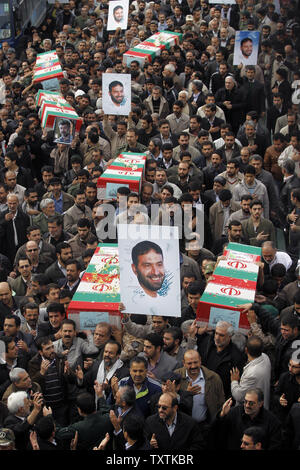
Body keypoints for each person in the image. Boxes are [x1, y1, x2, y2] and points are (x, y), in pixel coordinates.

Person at [187, 320, 246, 399]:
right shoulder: (207, 343)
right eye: (216, 333)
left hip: (218, 396)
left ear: (229, 336)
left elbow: (233, 383)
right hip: (199, 391)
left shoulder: (236, 356)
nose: (217, 338)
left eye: (222, 335)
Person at [210, 388, 282, 450]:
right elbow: (215, 430)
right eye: (245, 402)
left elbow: (275, 446)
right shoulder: (233, 413)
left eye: (251, 403)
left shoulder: (272, 422)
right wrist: (222, 414)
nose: (247, 406)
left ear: (260, 404)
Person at [230, 336, 271, 409]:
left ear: (246, 350)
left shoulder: (252, 374)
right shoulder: (265, 357)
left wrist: (234, 381)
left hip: (252, 411)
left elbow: (239, 396)